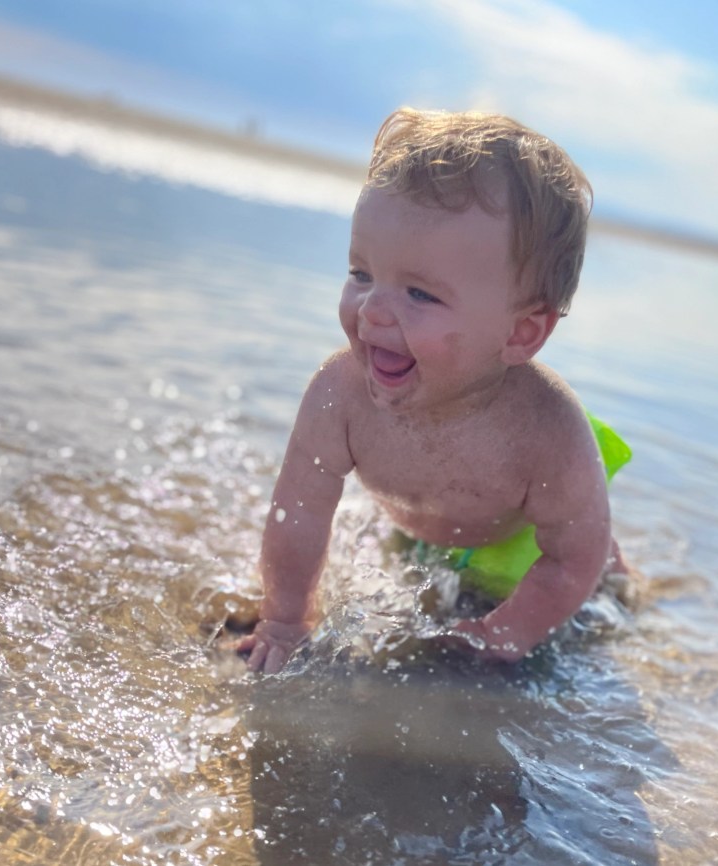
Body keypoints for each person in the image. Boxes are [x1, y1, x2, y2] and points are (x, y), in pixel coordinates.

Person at [239, 107, 631, 674]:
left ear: (521, 332)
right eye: (361, 274)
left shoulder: (547, 435)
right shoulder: (340, 394)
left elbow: (573, 558)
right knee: (414, 566)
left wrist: (505, 632)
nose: (373, 310)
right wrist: (283, 620)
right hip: (425, 527)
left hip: (518, 548)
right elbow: (295, 516)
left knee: (602, 582)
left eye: (420, 294)